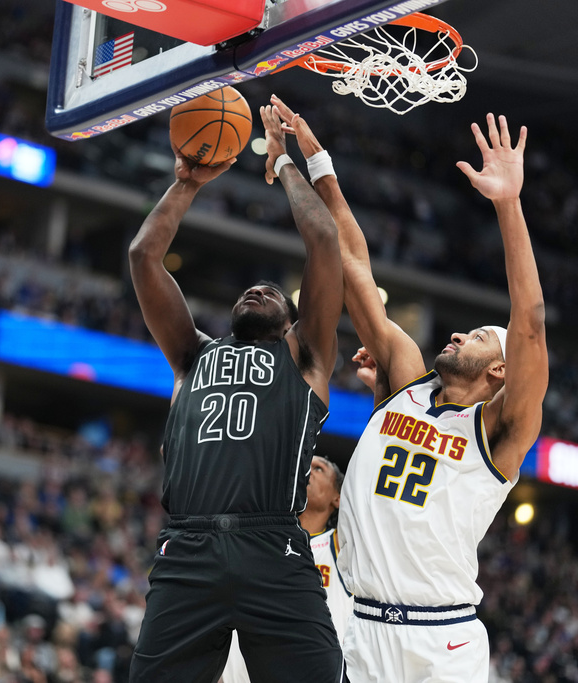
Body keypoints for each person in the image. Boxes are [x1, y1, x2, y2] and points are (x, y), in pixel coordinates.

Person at [272, 95, 548, 683]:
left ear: (499, 372)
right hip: (363, 630)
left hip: (439, 641)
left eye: (476, 335)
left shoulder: (500, 431)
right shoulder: (405, 382)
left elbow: (528, 323)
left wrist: (509, 206)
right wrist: (316, 165)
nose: (456, 332)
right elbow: (354, 266)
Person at [127, 103, 345, 682]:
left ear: (293, 318)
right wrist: (185, 184)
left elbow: (325, 242)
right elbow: (143, 257)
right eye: (250, 288)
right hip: (188, 548)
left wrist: (283, 164)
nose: (257, 290)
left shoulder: (305, 356)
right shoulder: (191, 354)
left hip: (273, 546)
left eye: (272, 291)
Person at [220, 455, 353, 683]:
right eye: (305, 465)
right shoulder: (259, 539)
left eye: (319, 469)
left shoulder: (341, 544)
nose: (308, 470)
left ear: (338, 498)